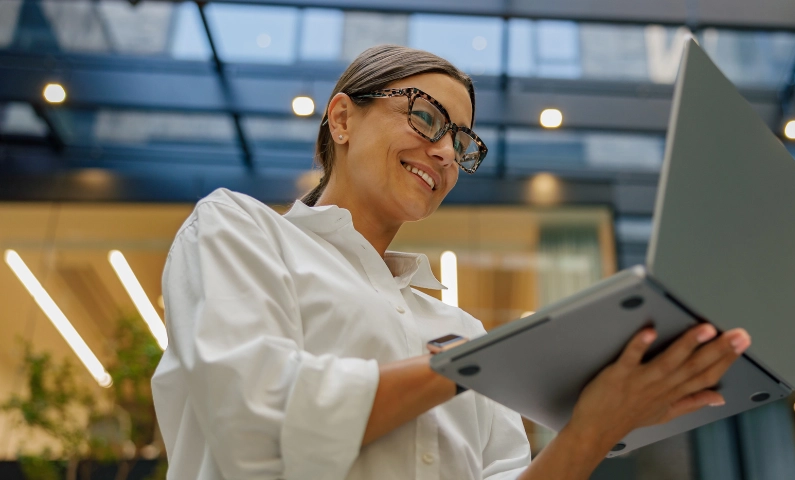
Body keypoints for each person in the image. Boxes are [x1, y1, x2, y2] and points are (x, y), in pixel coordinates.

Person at [151, 44, 751, 480]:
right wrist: (465, 368)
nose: (444, 152)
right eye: (426, 116)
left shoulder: (461, 332)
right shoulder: (238, 228)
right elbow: (254, 423)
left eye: (461, 142)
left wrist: (593, 429)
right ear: (341, 119)